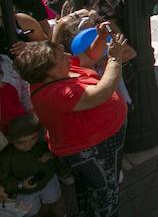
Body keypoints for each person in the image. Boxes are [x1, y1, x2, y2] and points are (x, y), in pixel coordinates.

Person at [13, 33, 130, 217]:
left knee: (91, 188)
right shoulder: (57, 93)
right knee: (105, 192)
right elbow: (101, 93)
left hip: (98, 139)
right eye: (61, 56)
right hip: (92, 149)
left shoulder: (59, 70)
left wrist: (100, 38)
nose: (68, 57)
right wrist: (115, 58)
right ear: (48, 70)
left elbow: (90, 56)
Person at [0, 113, 65, 217]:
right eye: (21, 142)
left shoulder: (42, 142)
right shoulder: (6, 157)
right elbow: (3, 182)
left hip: (48, 181)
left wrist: (49, 156)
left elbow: (56, 155)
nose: (28, 144)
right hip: (24, 192)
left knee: (54, 201)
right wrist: (21, 184)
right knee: (31, 213)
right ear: (11, 140)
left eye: (33, 138)